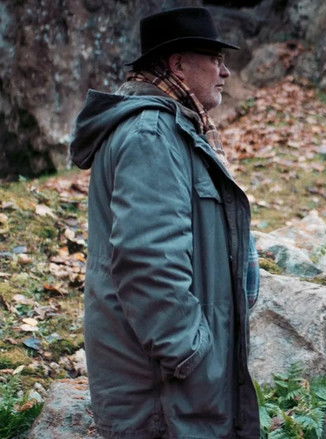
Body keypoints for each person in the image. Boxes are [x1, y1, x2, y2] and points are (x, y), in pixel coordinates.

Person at [70, 7, 261, 438]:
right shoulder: (151, 135)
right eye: (215, 59)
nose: (226, 72)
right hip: (164, 387)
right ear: (177, 64)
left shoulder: (172, 130)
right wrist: (191, 354)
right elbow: (147, 260)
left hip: (175, 382)